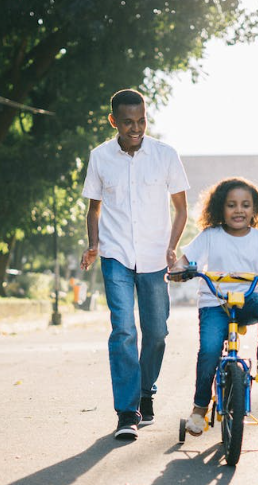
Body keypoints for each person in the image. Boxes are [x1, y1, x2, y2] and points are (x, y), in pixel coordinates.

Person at [80, 89, 189, 440]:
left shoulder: (165, 155)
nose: (136, 128)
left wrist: (172, 247)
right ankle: (127, 412)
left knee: (156, 333)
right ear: (114, 121)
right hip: (115, 256)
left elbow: (181, 208)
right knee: (124, 330)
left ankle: (145, 392)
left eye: (141, 120)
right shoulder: (100, 157)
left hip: (156, 257)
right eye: (128, 122)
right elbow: (94, 208)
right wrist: (94, 245)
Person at [170, 177, 258, 436]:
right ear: (221, 208)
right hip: (214, 303)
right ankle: (199, 409)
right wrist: (179, 269)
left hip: (246, 301)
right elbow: (185, 260)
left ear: (255, 210)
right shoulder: (210, 236)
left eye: (245, 205)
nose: (239, 210)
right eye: (231, 205)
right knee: (210, 351)